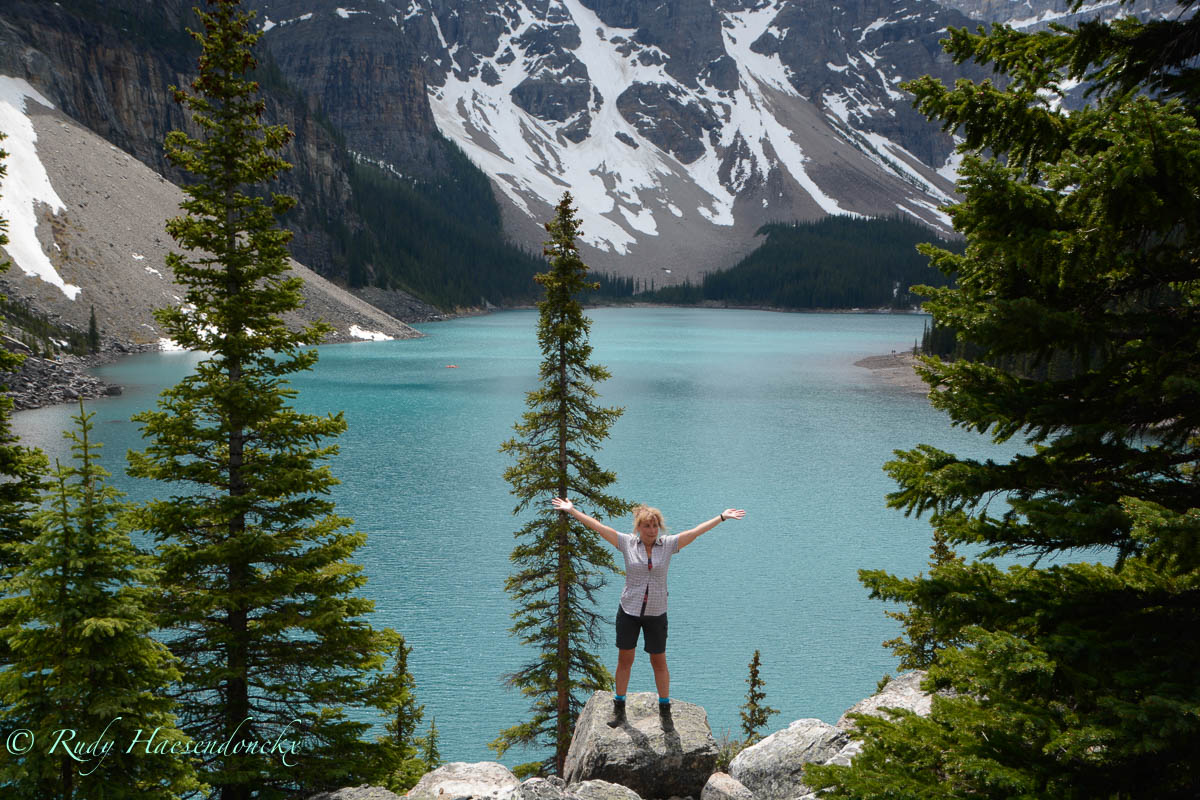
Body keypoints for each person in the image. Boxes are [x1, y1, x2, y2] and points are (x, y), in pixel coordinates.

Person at [551, 496, 746, 729]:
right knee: (625, 660)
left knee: (659, 661)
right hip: (629, 611)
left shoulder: (669, 545)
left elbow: (695, 532)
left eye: (655, 526)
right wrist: (572, 511)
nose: (652, 530)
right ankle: (619, 709)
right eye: (647, 526)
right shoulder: (626, 543)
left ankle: (665, 711)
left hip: (656, 613)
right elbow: (599, 527)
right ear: (638, 528)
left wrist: (722, 517)